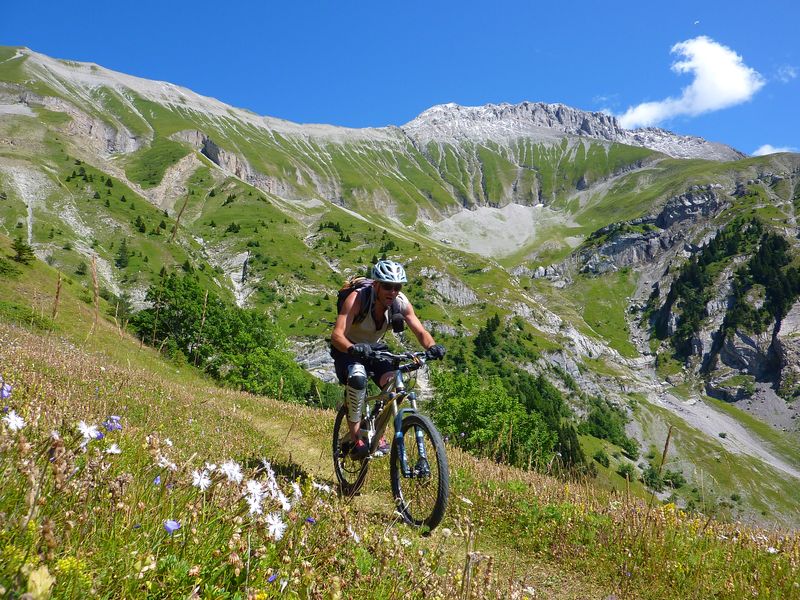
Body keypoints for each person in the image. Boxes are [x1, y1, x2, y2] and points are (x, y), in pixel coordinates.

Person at [330, 259, 445, 459]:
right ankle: (356, 438)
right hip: (347, 348)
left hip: (374, 348)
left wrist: (432, 347)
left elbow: (420, 331)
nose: (392, 292)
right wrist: (352, 348)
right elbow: (337, 335)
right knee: (357, 379)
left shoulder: (400, 302)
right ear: (376, 284)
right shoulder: (357, 299)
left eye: (397, 287)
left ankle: (378, 431)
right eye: (387, 286)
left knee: (395, 383)